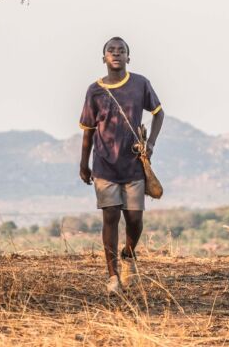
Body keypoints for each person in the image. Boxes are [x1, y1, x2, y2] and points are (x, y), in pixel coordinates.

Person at [79, 36, 165, 293]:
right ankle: (113, 276)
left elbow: (158, 113)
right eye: (111, 50)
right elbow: (88, 131)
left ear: (129, 57)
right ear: (103, 57)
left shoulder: (140, 84)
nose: (116, 54)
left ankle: (128, 253)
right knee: (110, 216)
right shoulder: (94, 90)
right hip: (104, 164)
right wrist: (84, 164)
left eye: (121, 50)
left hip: (133, 164)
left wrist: (151, 144)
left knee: (135, 219)